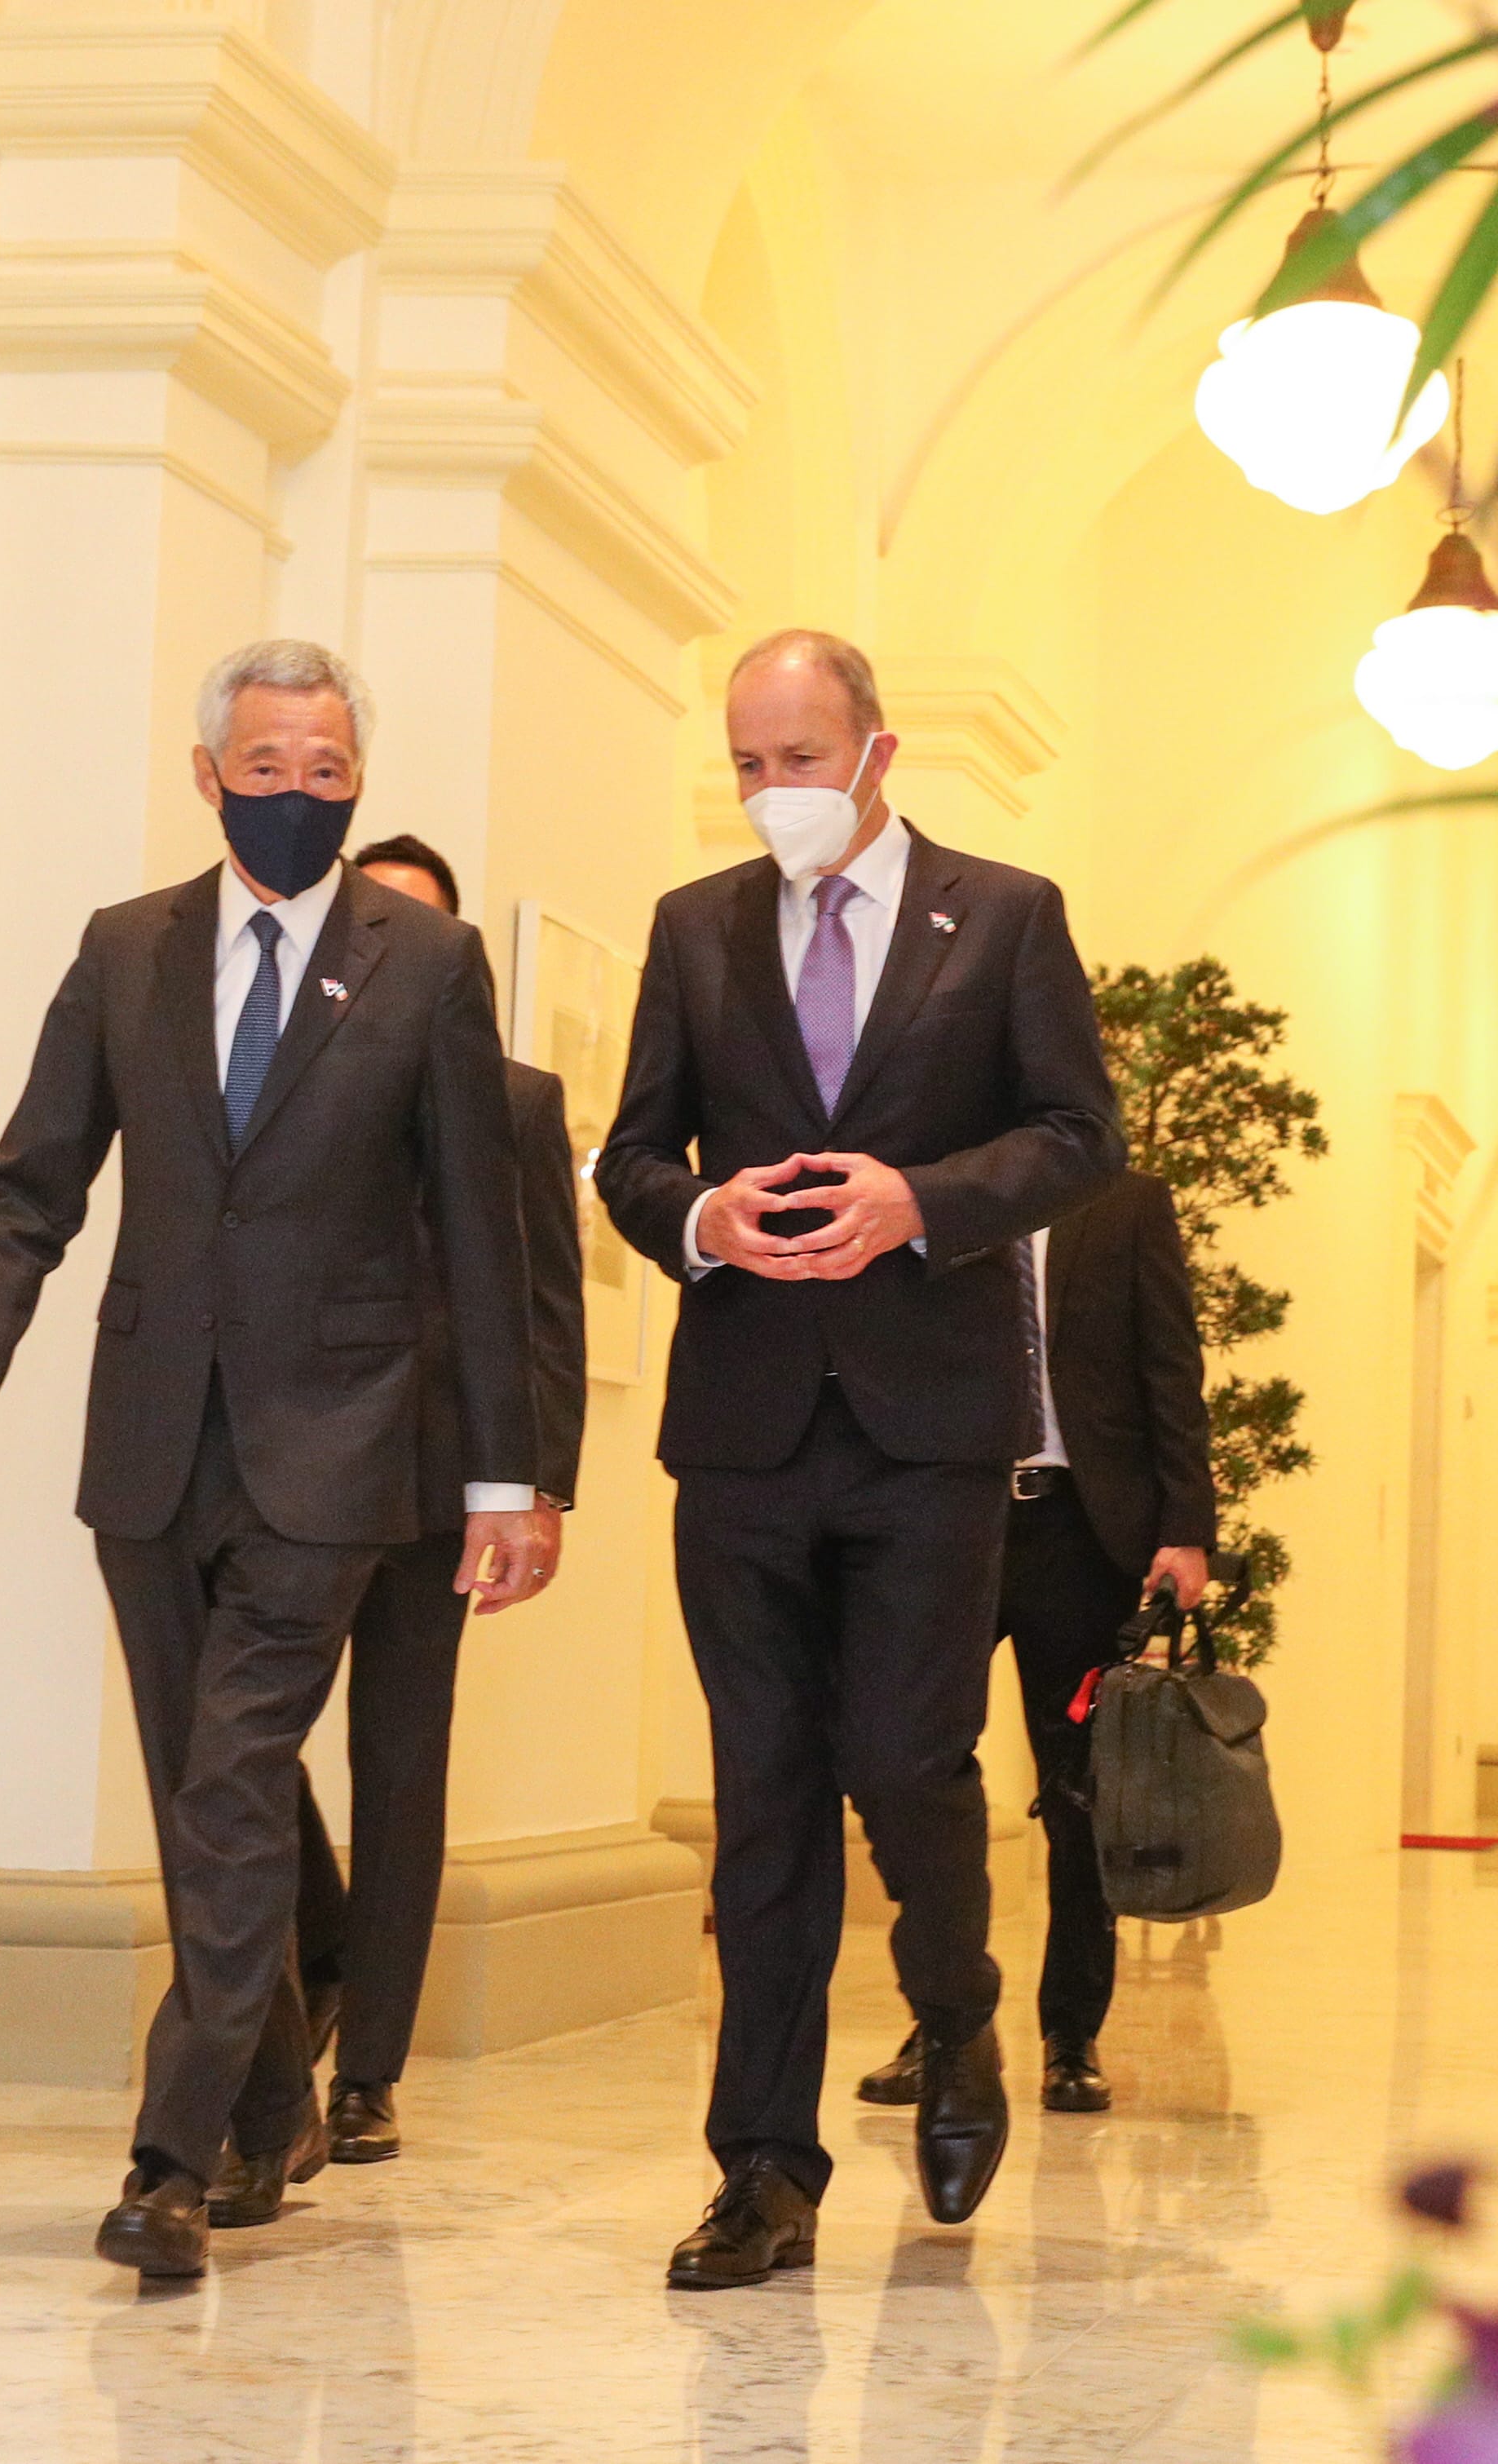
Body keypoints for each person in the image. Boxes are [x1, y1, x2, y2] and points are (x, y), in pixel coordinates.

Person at [0, 640, 556, 2279]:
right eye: (264, 770)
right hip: (147, 1441)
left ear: (358, 776)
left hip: (337, 1443)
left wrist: (504, 1470)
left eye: (325, 773)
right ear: (208, 776)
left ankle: (168, 2156)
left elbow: (485, 1237)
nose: (294, 797)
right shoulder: (128, 948)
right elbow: (30, 1180)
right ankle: (275, 2103)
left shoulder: (427, 962)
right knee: (212, 1796)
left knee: (233, 1778)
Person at [594, 628, 1121, 2287]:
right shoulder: (693, 931)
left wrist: (923, 1201)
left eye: (798, 759)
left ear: (877, 752)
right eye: (746, 762)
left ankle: (958, 2024)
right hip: (743, 1427)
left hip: (925, 1427)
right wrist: (698, 1215)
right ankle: (763, 2167)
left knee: (907, 1758)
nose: (771, 792)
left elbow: (1075, 1134)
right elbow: (627, 1152)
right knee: (762, 1799)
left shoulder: (1007, 914)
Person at [276, 834, 590, 2165]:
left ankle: (369, 2076)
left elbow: (546, 1311)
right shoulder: (278, 1078)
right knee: (231, 1737)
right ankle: (328, 1939)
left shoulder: (514, 1103)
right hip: (294, 1473)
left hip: (440, 1492)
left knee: (400, 1766)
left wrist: (538, 1487)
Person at [855, 1166, 1216, 2119]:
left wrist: (1186, 1527)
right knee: (916, 1770)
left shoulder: (1127, 1202)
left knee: (1079, 1793)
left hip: (1078, 1534)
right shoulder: (934, 1191)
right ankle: (945, 2027)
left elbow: (1170, 1365)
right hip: (945, 1522)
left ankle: (1071, 2036)